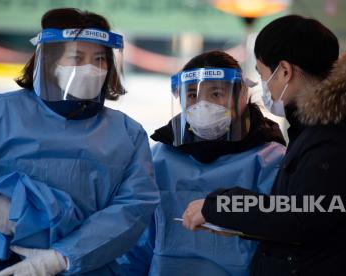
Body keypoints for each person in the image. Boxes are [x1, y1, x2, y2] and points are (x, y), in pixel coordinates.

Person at [182, 15, 346, 276]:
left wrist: (221, 206)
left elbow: (303, 215)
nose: (265, 88)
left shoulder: (337, 132)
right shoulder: (332, 123)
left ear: (284, 70)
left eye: (262, 74)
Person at [0, 8, 159, 276]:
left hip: (86, 265)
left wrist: (62, 257)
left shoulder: (127, 133)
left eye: (99, 59)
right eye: (76, 57)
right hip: (0, 261)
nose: (91, 68)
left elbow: (135, 207)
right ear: (49, 62)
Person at [118, 50, 286, 275]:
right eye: (192, 94)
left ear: (241, 97)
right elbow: (137, 240)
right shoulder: (158, 158)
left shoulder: (269, 158)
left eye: (216, 93)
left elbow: (282, 230)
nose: (202, 104)